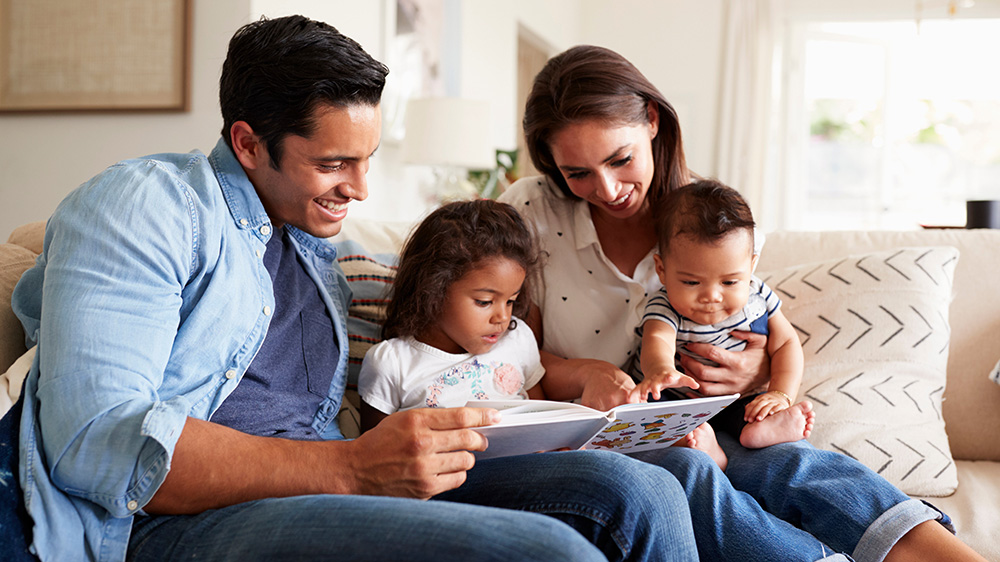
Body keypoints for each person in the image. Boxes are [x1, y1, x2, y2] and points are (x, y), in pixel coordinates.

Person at [6, 17, 703, 562]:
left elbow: (447, 296)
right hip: (173, 524)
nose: (361, 189)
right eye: (335, 163)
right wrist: (349, 467)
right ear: (249, 144)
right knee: (548, 553)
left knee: (637, 490)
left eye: (368, 160)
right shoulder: (145, 204)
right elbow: (95, 442)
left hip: (330, 479)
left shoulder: (317, 245)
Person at [498, 44, 986, 562]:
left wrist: (753, 376)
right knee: (691, 474)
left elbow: (749, 322)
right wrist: (583, 373)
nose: (609, 188)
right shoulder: (530, 211)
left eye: (621, 159)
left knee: (793, 466)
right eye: (578, 173)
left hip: (704, 414)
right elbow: (504, 354)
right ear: (553, 166)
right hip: (595, 428)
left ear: (654, 122)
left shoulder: (714, 218)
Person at [633, 179, 815, 469]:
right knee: (648, 414)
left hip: (735, 399)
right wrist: (661, 370)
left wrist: (780, 394)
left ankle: (762, 430)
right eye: (691, 282)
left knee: (755, 409)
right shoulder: (665, 304)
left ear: (751, 267)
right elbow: (657, 339)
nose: (712, 296)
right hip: (678, 399)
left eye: (730, 281)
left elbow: (786, 344)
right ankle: (704, 447)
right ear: (662, 270)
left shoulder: (758, 297)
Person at [359, 199, 545, 432]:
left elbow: (542, 418)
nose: (502, 317)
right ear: (433, 290)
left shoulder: (517, 339)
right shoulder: (392, 363)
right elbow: (373, 452)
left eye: (510, 301)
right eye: (484, 302)